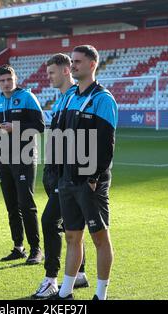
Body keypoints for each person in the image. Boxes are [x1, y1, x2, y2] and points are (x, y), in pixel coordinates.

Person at [54, 45, 118, 300]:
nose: (74, 65)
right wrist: (58, 173)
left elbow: (106, 144)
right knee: (71, 236)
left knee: (99, 237)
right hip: (68, 178)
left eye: (78, 61)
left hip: (92, 181)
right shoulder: (70, 97)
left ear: (92, 64)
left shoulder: (103, 99)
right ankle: (65, 293)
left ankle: (101, 295)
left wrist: (93, 177)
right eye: (72, 61)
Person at [31, 54, 89, 299]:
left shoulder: (78, 98)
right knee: (70, 224)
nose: (49, 77)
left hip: (70, 174)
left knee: (49, 221)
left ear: (66, 71)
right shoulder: (60, 101)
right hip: (56, 173)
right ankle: (81, 273)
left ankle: (51, 279)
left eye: (53, 72)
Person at [0, 64, 45, 264]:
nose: (6, 84)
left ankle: (36, 249)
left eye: (9, 79)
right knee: (11, 205)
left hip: (24, 157)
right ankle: (18, 247)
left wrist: (16, 127)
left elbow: (40, 125)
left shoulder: (27, 98)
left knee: (26, 203)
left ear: (15, 79)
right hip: (3, 160)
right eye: (2, 80)